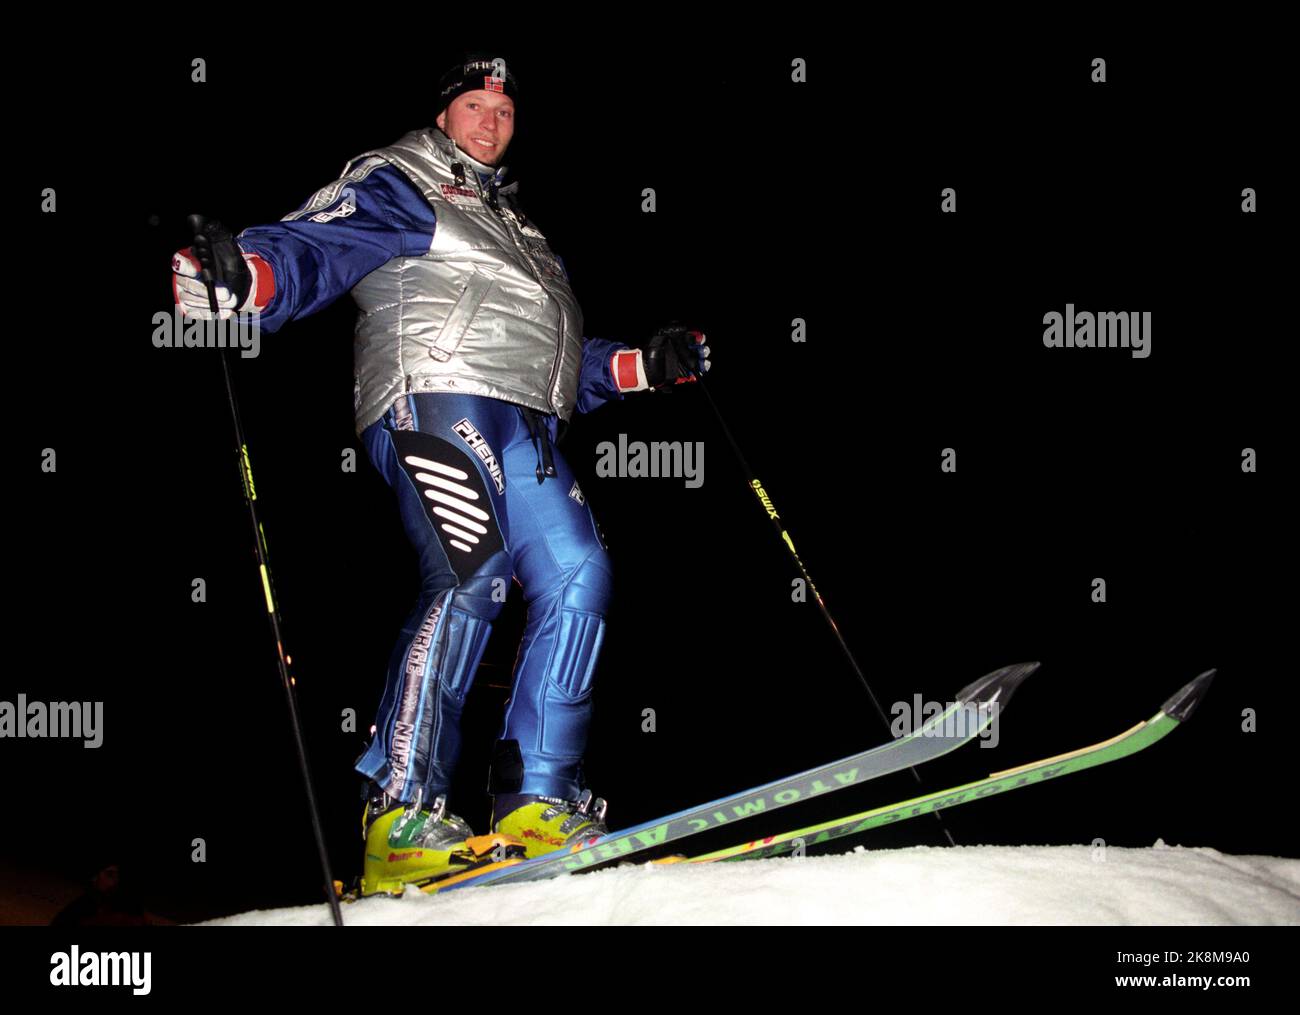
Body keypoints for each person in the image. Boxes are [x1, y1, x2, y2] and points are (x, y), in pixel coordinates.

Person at [171, 53, 710, 894]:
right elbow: (319, 242)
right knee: (474, 568)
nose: (491, 119)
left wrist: (645, 363)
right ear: (443, 113)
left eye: (504, 108)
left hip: (527, 423)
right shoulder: (403, 177)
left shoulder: (523, 231)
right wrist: (249, 275)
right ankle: (401, 808)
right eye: (473, 102)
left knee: (581, 576)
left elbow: (555, 363)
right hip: (433, 396)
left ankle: (538, 800)